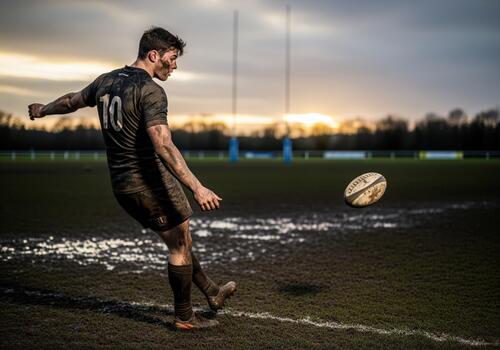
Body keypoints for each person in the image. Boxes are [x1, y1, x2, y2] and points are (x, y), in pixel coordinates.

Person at [28, 26, 236, 330]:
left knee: (181, 236)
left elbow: (72, 100)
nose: (175, 65)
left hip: (122, 184)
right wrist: (197, 187)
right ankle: (185, 317)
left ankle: (212, 292)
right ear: (154, 55)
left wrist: (43, 109)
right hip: (149, 181)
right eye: (172, 58)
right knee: (179, 245)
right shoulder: (151, 91)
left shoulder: (106, 81)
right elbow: (163, 144)